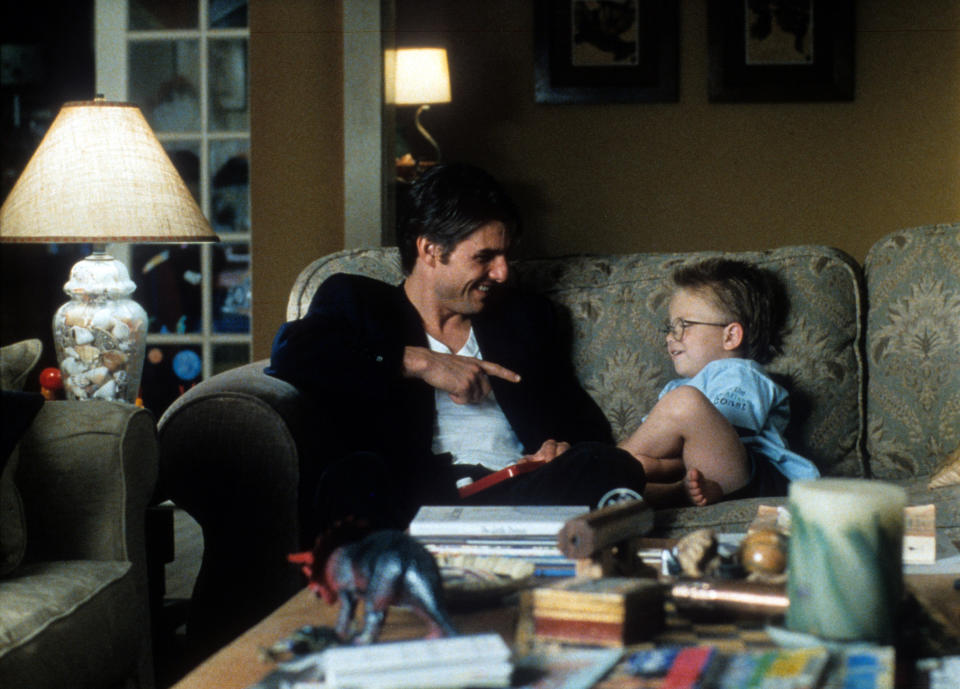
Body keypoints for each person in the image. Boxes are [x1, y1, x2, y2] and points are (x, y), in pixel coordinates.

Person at [267, 163, 646, 539]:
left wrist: (559, 447)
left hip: (517, 493)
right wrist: (417, 361)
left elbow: (585, 426)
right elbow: (292, 354)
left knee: (608, 464)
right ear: (430, 250)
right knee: (351, 479)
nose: (502, 273)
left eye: (504, 256)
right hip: (411, 499)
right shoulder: (357, 300)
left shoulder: (525, 318)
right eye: (484, 257)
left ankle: (480, 547)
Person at [617, 258, 819, 507]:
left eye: (684, 325)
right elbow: (657, 447)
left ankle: (600, 468)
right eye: (670, 327)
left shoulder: (741, 373)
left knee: (685, 403)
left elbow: (723, 436)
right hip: (697, 479)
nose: (671, 337)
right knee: (638, 482)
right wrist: (652, 465)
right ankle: (643, 485)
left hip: (755, 478)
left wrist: (654, 465)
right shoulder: (674, 388)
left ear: (731, 336)